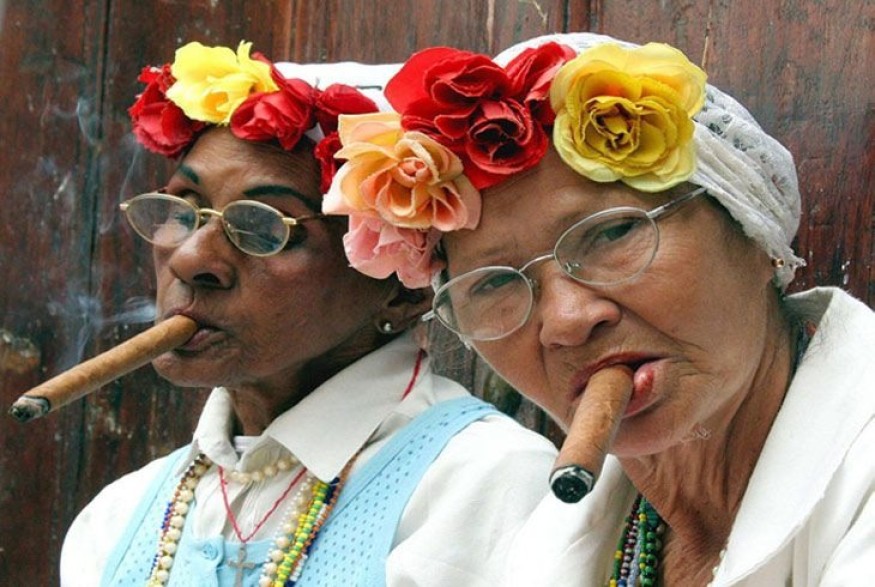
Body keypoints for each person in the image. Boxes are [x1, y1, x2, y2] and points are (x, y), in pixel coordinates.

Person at [324, 32, 875, 586]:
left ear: (752, 231)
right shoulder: (546, 547)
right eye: (493, 284)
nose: (567, 321)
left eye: (613, 233)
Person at [59, 41, 559, 587]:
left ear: (403, 291)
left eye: (263, 226)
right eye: (184, 210)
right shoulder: (117, 521)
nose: (191, 258)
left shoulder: (481, 486)